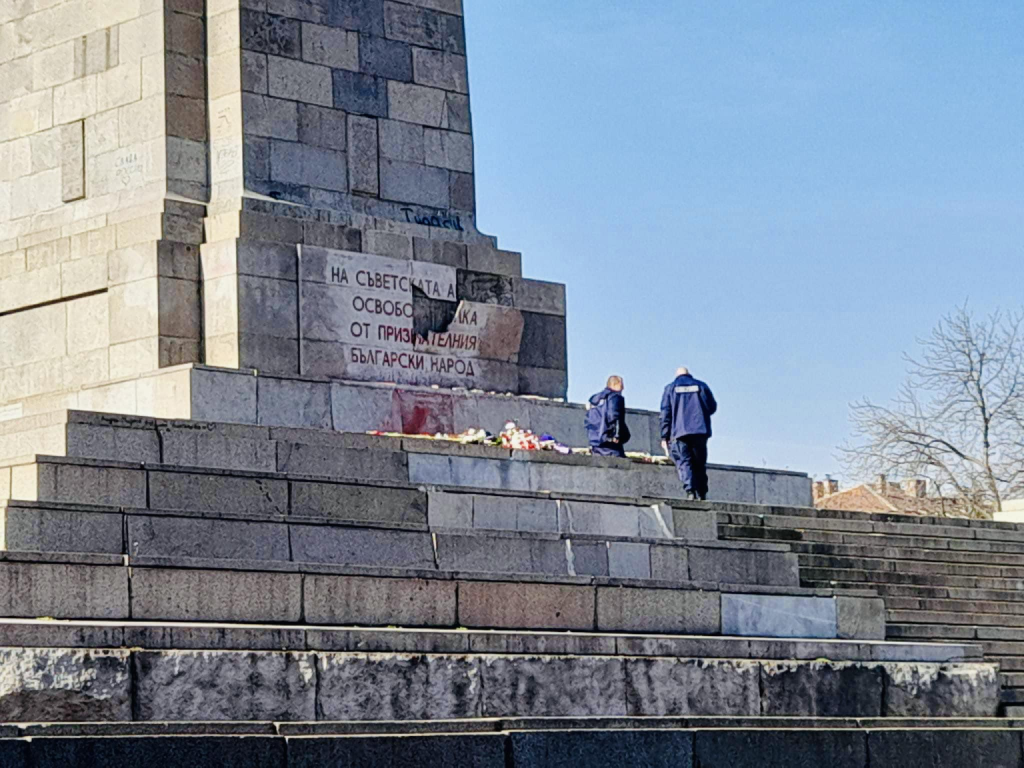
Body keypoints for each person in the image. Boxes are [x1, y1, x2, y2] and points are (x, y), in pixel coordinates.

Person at [660, 367, 717, 501]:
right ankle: (702, 492)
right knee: (699, 463)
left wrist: (664, 435)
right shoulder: (701, 386)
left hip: (679, 432)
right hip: (699, 430)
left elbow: (665, 413)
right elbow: (712, 407)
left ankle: (690, 491)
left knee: (685, 462)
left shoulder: (670, 388)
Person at [585, 375, 631, 457]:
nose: (623, 388)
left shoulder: (594, 400)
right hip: (610, 444)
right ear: (614, 385)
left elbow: (588, 421)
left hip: (596, 444)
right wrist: (616, 435)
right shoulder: (614, 397)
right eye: (621, 385)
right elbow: (614, 417)